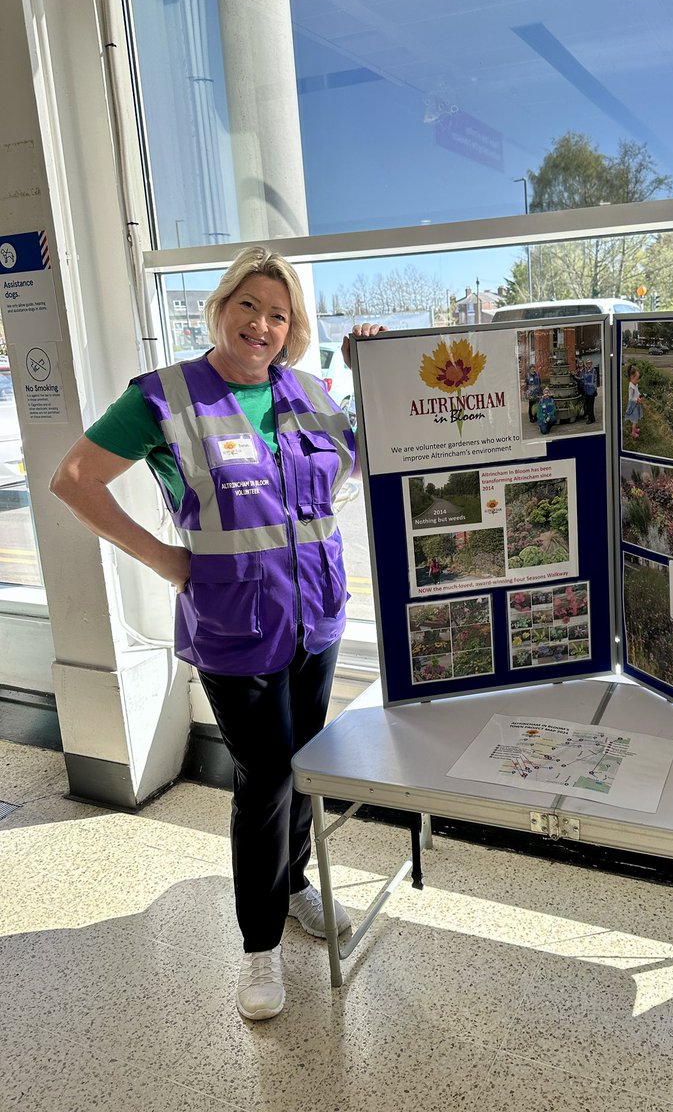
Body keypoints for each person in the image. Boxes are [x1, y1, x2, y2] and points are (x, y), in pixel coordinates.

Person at [49, 246, 383, 1022]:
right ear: (221, 307)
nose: (261, 325)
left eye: (279, 314)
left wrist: (372, 374)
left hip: (316, 616)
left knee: (303, 764)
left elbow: (357, 465)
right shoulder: (165, 396)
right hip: (235, 626)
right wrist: (166, 559)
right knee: (264, 777)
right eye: (249, 307)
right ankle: (258, 947)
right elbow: (74, 479)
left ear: (293, 328)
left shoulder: (308, 391)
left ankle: (294, 883)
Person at [624, 364, 643, 440]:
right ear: (632, 377)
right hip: (633, 405)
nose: (638, 380)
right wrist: (637, 399)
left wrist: (639, 395)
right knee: (635, 419)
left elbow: (637, 392)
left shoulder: (635, 384)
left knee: (636, 417)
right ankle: (633, 432)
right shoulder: (631, 387)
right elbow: (630, 398)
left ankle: (634, 429)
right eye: (637, 379)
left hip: (636, 404)